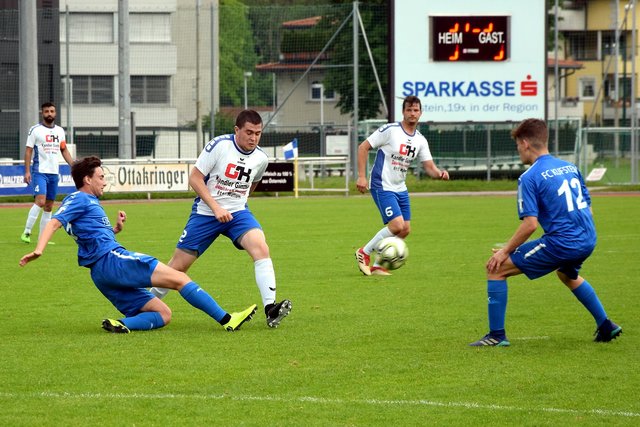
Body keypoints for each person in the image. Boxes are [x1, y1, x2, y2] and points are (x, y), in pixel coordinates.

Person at [19, 156, 257, 334]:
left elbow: (88, 234)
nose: (105, 182)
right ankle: (228, 320)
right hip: (113, 261)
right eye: (101, 177)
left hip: (100, 274)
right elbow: (53, 224)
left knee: (163, 314)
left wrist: (115, 229)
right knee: (179, 278)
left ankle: (120, 325)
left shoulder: (83, 202)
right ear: (87, 179)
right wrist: (39, 249)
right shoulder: (80, 198)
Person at [470, 118, 622, 347]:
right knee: (566, 274)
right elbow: (587, 208)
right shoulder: (571, 168)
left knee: (497, 268)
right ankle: (606, 325)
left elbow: (530, 224)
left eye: (517, 145)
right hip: (588, 238)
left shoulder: (529, 177)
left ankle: (496, 335)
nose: (518, 150)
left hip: (563, 243)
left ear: (524, 143)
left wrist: (505, 252)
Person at [149, 109, 292, 328]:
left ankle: (270, 308)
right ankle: (146, 304)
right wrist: (216, 207)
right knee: (177, 268)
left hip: (238, 214)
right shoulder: (219, 146)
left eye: (258, 133)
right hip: (205, 213)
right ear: (237, 130)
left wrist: (238, 203)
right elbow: (194, 179)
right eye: (249, 132)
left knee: (261, 248)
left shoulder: (261, 158)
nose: (254, 138)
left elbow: (253, 183)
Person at [355, 95, 449, 276]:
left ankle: (377, 266)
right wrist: (361, 176)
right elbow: (363, 147)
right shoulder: (390, 130)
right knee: (397, 225)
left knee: (405, 230)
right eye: (409, 110)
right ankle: (363, 253)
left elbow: (429, 167)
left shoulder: (420, 140)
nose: (412, 114)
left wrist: (439, 174)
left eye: (415, 110)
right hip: (381, 184)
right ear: (403, 112)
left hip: (400, 187)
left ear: (420, 113)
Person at [21, 102, 75, 244]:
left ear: (55, 113)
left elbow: (63, 149)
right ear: (42, 113)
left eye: (52, 111)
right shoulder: (35, 130)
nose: (49, 114)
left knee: (49, 205)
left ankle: (42, 238)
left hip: (53, 173)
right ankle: (27, 232)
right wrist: (27, 171)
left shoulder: (60, 131)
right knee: (40, 201)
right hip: (40, 171)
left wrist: (73, 165)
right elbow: (28, 150)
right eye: (46, 111)